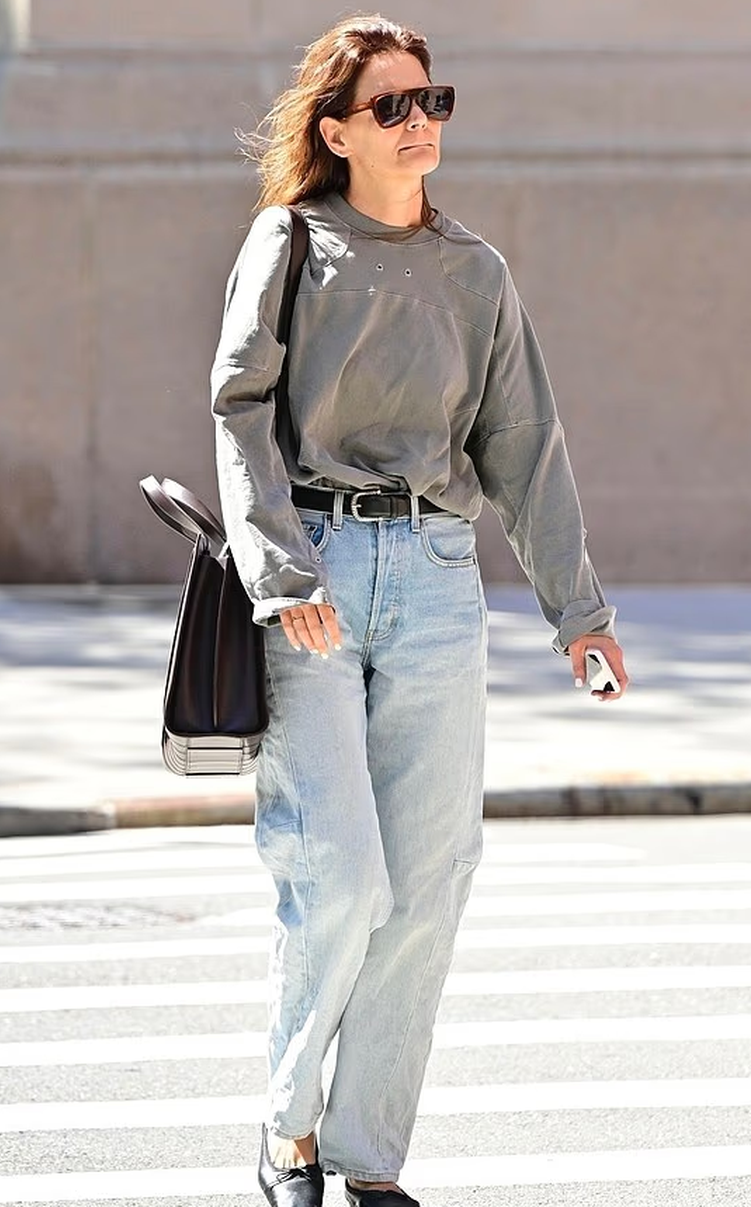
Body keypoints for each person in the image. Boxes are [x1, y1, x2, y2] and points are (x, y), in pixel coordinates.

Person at [210, 14, 629, 1207]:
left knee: (431, 875)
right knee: (341, 875)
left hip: (439, 575)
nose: (417, 123)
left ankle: (367, 1158)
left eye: (430, 100)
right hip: (318, 575)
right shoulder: (290, 242)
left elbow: (523, 446)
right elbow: (239, 407)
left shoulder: (475, 272)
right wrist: (282, 570)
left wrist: (579, 613)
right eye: (389, 105)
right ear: (338, 132)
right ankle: (288, 1129)